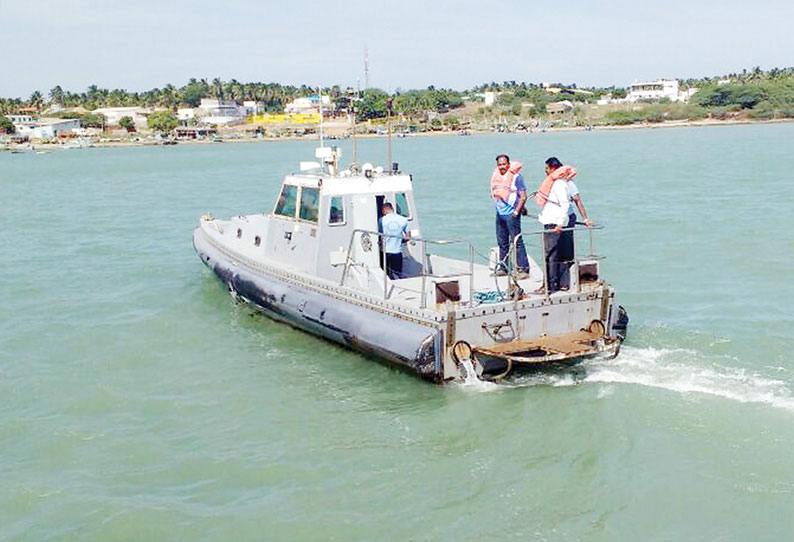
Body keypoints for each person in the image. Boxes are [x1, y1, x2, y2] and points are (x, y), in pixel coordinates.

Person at [490, 154, 529, 278]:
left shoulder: (516, 177)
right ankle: (503, 267)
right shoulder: (496, 176)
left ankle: (523, 269)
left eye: (504, 164)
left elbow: (523, 195)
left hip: (512, 213)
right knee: (502, 241)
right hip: (499, 213)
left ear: (508, 164)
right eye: (499, 164)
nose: (502, 167)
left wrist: (517, 211)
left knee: (517, 241)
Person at [537, 158, 573, 293]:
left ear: (553, 168)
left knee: (551, 254)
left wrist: (560, 224)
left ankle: (551, 285)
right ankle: (549, 283)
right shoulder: (552, 183)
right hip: (548, 221)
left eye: (546, 168)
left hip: (554, 222)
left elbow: (565, 204)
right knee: (549, 254)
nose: (545, 171)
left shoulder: (559, 184)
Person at [379, 202, 410, 279]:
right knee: (398, 272)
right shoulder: (404, 219)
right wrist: (400, 241)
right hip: (397, 251)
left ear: (384, 210)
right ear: (392, 209)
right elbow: (408, 237)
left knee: (386, 273)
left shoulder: (382, 220)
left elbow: (380, 235)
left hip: (385, 251)